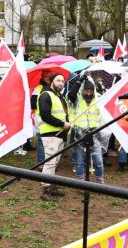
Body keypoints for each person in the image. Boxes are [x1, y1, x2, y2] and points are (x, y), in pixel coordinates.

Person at [37, 71, 71, 199]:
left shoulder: (59, 96)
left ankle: (51, 187)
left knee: (54, 162)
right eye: (58, 80)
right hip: (50, 133)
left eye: (62, 81)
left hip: (60, 134)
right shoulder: (46, 95)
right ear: (51, 82)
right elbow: (45, 115)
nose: (61, 83)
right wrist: (62, 124)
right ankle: (45, 190)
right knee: (50, 162)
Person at [67, 75, 105, 183]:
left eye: (90, 92)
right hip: (78, 134)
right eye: (86, 91)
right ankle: (81, 183)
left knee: (98, 160)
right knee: (79, 161)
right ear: (83, 91)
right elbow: (71, 94)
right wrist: (79, 81)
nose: (88, 94)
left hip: (94, 134)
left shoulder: (98, 99)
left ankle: (100, 183)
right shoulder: (77, 99)